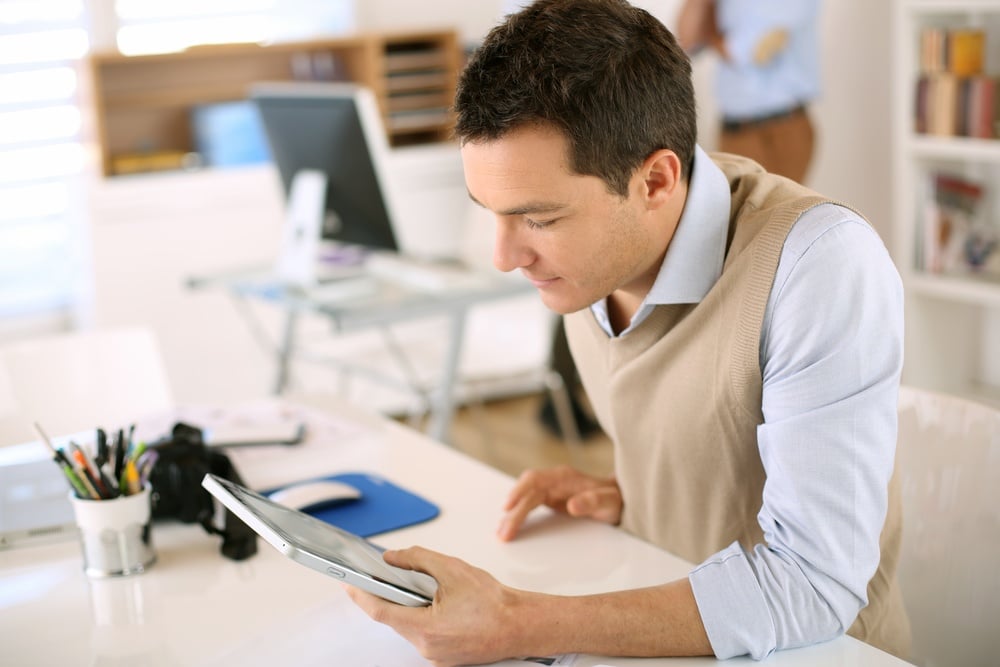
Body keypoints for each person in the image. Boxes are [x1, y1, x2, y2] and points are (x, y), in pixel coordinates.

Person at [346, 0, 909, 664]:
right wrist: (634, 494)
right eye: (493, 212)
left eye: (539, 218)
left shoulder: (819, 263)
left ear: (657, 181)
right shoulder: (593, 257)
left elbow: (812, 584)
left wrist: (513, 620)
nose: (504, 255)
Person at [676, 0, 820, 183]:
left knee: (776, 209)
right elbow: (686, 41)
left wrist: (711, 32)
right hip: (733, 130)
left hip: (780, 130)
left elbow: (747, 51)